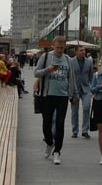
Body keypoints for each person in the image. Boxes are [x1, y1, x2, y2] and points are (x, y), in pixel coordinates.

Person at [34, 35, 77, 165]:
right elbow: (36, 73)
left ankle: (57, 151)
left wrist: (73, 94)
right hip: (48, 95)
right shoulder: (46, 57)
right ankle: (49, 142)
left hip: (63, 96)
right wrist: (48, 69)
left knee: (60, 124)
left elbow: (72, 78)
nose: (59, 50)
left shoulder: (68, 60)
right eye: (57, 48)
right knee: (46, 124)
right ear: (53, 45)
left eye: (62, 48)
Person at [70, 46, 93, 139]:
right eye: (81, 50)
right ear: (76, 52)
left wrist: (92, 87)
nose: (83, 52)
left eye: (84, 50)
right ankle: (75, 130)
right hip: (74, 89)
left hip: (86, 88)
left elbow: (91, 75)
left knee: (86, 107)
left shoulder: (89, 61)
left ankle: (85, 130)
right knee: (74, 111)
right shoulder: (71, 61)